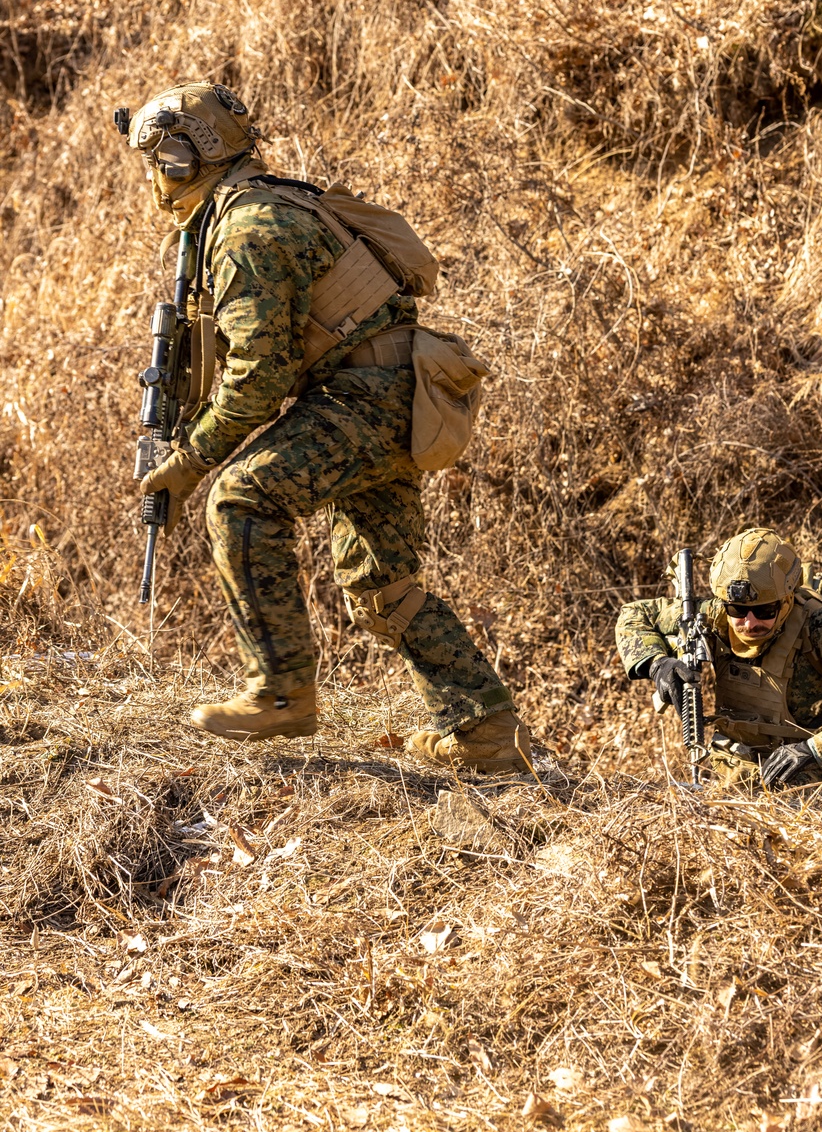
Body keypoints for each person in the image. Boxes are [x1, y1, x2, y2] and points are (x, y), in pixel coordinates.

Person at [123, 80, 531, 774]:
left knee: (241, 499)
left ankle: (281, 692)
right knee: (383, 585)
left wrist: (193, 461)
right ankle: (484, 732)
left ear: (183, 160)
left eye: (160, 162)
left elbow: (260, 374)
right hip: (393, 389)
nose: (156, 180)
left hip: (366, 394)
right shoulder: (268, 203)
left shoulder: (249, 228)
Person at [615, 527, 822, 788]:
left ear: (787, 599)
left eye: (765, 611)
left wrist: (815, 749)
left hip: (811, 782)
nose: (749, 623)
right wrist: (657, 663)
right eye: (737, 610)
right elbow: (634, 615)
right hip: (733, 777)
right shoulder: (713, 614)